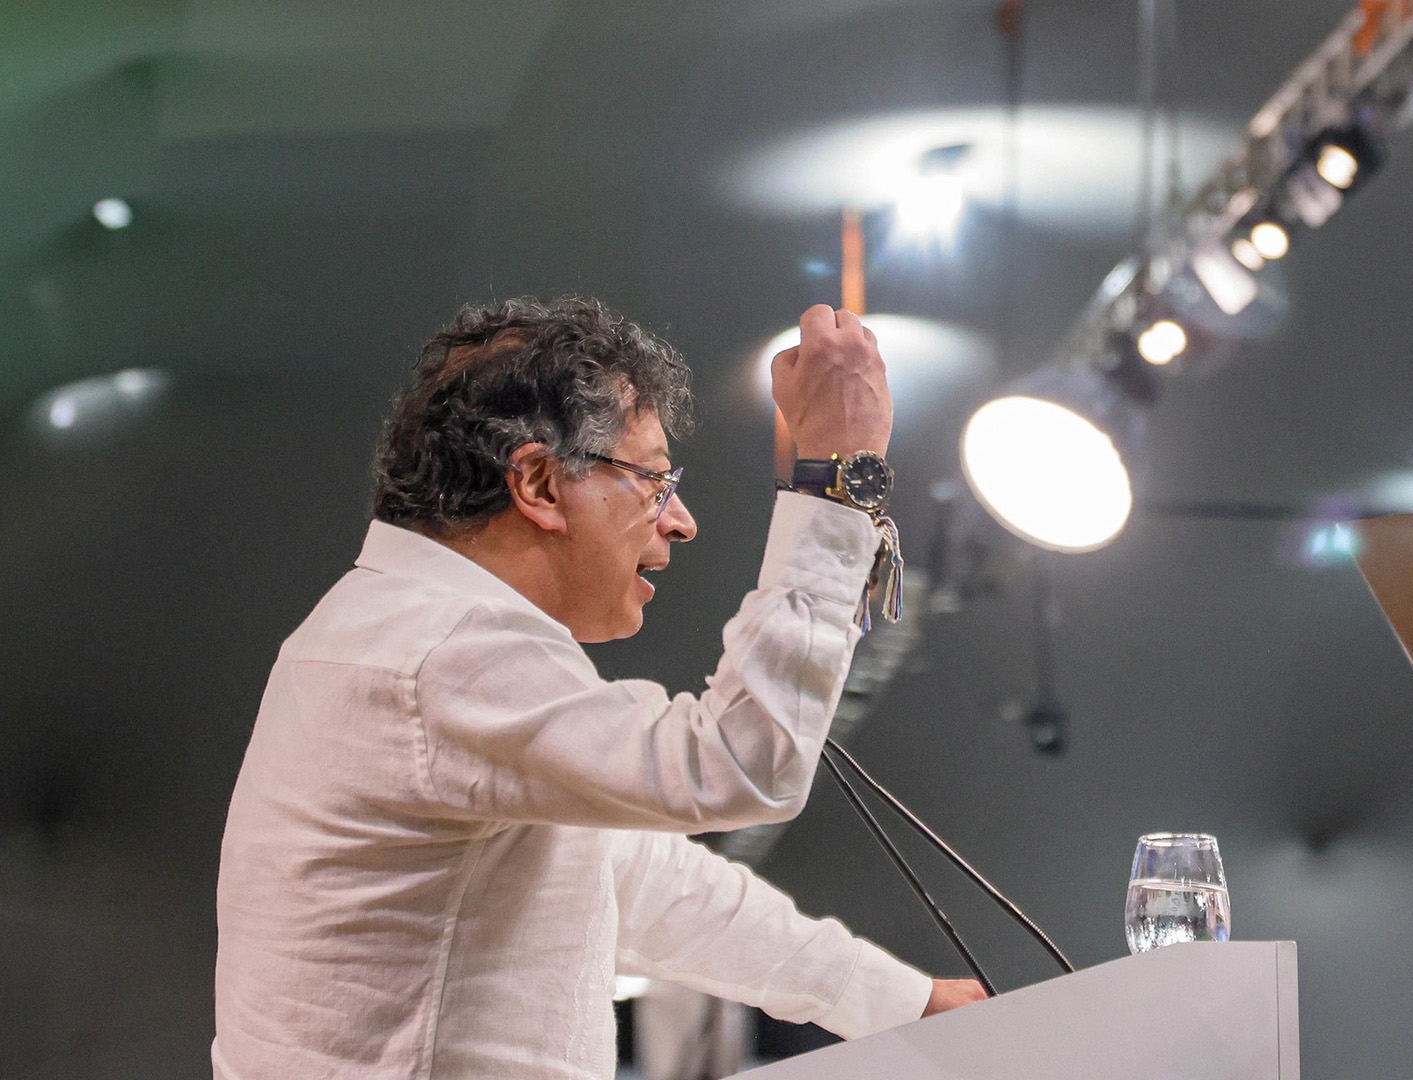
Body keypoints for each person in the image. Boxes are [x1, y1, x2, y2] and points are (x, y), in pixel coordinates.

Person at [212, 297, 985, 1079]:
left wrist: (910, 1004)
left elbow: (642, 882)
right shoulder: (437, 652)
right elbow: (740, 763)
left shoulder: (407, 634)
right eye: (654, 479)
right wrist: (838, 481)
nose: (679, 521)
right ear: (541, 485)